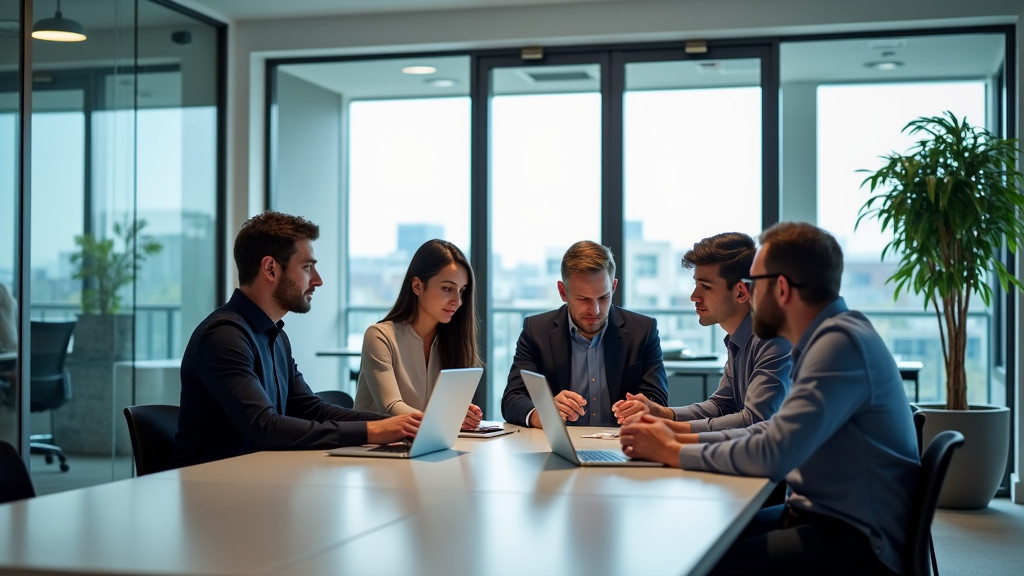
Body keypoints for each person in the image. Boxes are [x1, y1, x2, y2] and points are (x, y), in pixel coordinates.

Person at [620, 222, 920, 575]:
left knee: (701, 561)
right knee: (699, 540)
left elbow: (774, 453)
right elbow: (770, 430)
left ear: (780, 288)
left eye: (755, 283)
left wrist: (671, 450)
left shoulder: (839, 345)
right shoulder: (826, 338)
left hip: (855, 538)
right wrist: (675, 435)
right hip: (822, 514)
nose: (749, 294)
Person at [170, 211, 421, 468]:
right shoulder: (223, 337)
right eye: (307, 267)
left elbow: (311, 409)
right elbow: (265, 427)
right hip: (211, 491)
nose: (318, 280)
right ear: (270, 269)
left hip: (257, 481)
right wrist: (372, 432)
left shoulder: (275, 335)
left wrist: (396, 424)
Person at [612, 232, 791, 432]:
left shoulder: (774, 340)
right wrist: (662, 413)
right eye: (696, 284)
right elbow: (722, 405)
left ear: (741, 292)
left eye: (705, 287)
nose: (694, 296)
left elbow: (755, 420)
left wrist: (672, 429)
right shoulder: (737, 339)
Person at [502, 240, 668, 428]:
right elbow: (512, 399)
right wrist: (541, 414)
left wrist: (642, 408)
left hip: (622, 444)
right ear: (563, 292)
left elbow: (658, 399)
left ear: (613, 287)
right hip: (561, 447)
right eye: (583, 299)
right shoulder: (536, 330)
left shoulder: (643, 330)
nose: (595, 310)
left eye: (603, 297)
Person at [354, 239, 484, 430]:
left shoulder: (452, 341)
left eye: (462, 291)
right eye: (447, 288)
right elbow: (390, 407)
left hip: (425, 446)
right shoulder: (379, 336)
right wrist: (447, 418)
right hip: (376, 450)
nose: (457, 301)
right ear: (417, 286)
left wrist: (463, 415)